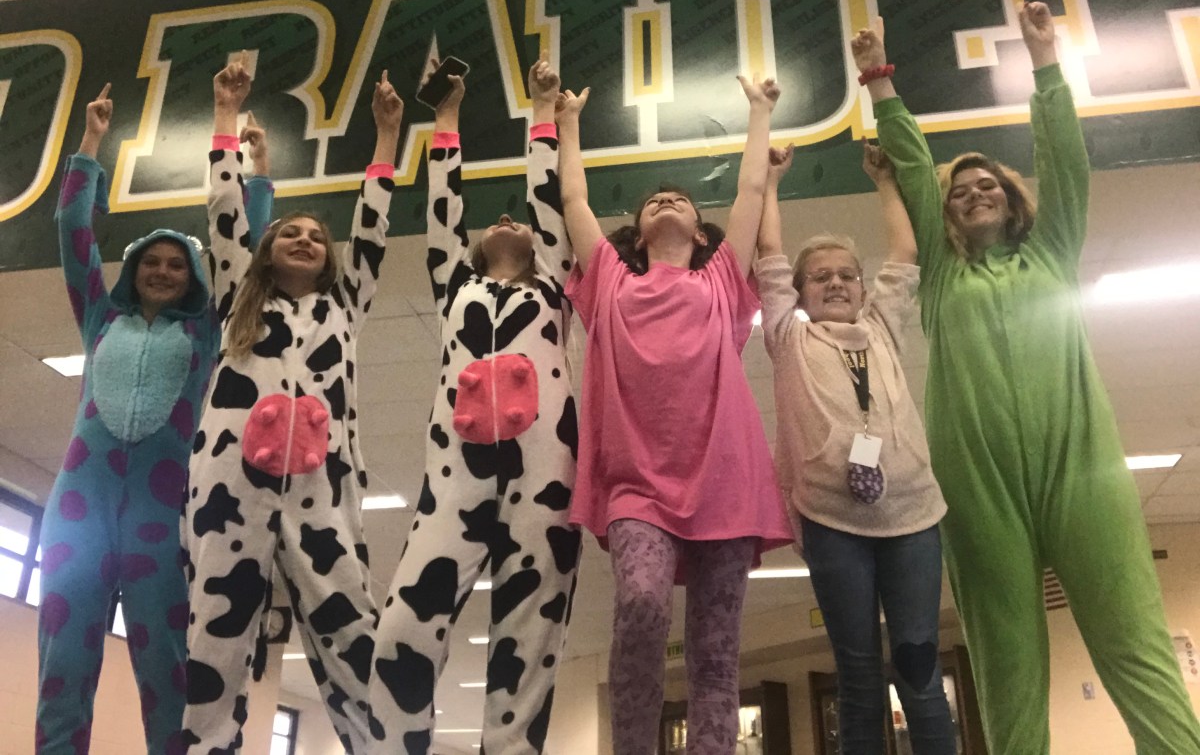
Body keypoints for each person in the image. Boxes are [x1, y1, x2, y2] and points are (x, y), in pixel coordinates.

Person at [859, 3, 1200, 753]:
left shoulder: (1052, 253)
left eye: (989, 184)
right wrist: (880, 81)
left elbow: (1066, 162)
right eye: (960, 191)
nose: (975, 191)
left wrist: (1045, 62)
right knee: (1006, 659)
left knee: (1134, 639)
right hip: (979, 479)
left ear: (1013, 199)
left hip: (1081, 466)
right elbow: (913, 171)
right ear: (947, 215)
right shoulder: (942, 278)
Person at [559, 75, 793, 754]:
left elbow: (750, 191)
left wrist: (760, 112)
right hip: (636, 485)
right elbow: (573, 200)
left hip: (726, 482)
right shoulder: (610, 279)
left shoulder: (719, 280)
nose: (666, 200)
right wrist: (565, 122)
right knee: (641, 601)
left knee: (717, 651)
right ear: (635, 233)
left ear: (700, 230)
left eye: (681, 200)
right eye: (654, 200)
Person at [38, 83, 273, 755]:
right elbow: (72, 231)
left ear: (192, 276)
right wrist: (90, 143)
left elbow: (244, 252)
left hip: (162, 514)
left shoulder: (206, 331)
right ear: (133, 270)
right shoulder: (100, 316)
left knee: (167, 669)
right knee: (63, 663)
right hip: (78, 509)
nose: (163, 272)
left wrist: (258, 174)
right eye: (151, 262)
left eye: (176, 264)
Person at [182, 54, 402, 753]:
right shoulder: (236, 300)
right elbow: (224, 212)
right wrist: (224, 115)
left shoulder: (345, 305)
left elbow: (374, 226)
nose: (304, 238)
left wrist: (387, 136)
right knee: (215, 637)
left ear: (330, 258)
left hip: (323, 492)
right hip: (230, 489)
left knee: (352, 633)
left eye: (316, 236)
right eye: (289, 232)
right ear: (267, 251)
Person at [369, 57, 581, 754]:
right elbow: (444, 208)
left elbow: (548, 200)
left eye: (519, 221)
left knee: (530, 637)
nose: (507, 219)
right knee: (400, 632)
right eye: (494, 222)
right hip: (453, 480)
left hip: (545, 475)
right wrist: (446, 117)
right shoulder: (454, 285)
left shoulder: (555, 288)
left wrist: (543, 112)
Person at [754, 140, 954, 754]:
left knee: (920, 668)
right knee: (859, 676)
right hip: (832, 521)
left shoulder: (882, 329)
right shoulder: (788, 338)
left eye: (847, 275)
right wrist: (770, 183)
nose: (836, 283)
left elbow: (906, 255)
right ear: (799, 292)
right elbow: (768, 255)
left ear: (863, 289)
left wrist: (885, 182)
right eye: (821, 277)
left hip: (913, 517)